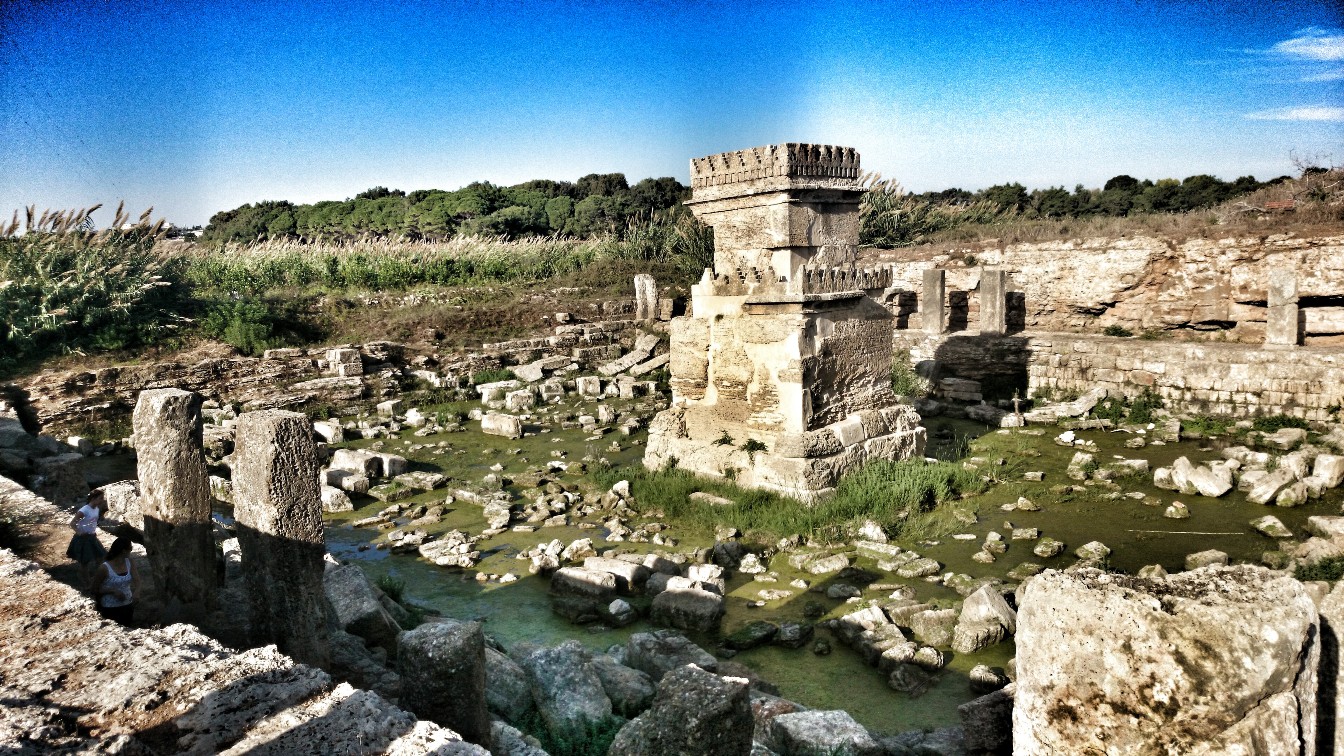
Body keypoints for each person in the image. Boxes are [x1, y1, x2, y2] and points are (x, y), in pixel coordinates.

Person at [66, 490, 108, 582]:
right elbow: (72, 523)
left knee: (101, 557)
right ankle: (86, 580)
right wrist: (80, 532)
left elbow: (93, 521)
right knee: (85, 562)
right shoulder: (84, 510)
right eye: (100, 498)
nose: (102, 500)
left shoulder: (97, 509)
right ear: (93, 498)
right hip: (83, 539)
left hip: (92, 537)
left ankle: (96, 577)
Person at [93, 536, 136, 626]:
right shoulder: (104, 568)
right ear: (124, 551)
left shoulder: (129, 562)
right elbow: (94, 589)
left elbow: (138, 580)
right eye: (130, 548)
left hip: (128, 604)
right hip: (110, 607)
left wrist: (137, 592)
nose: (131, 550)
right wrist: (112, 591)